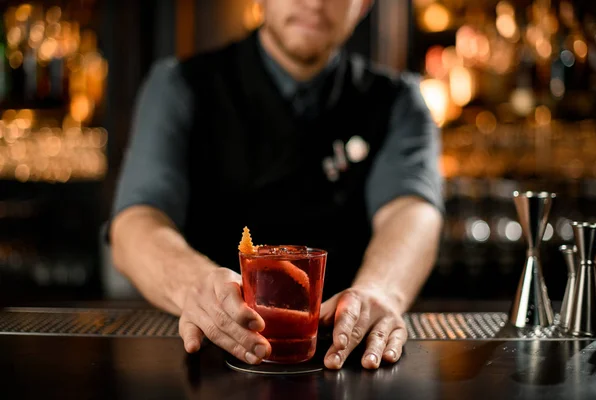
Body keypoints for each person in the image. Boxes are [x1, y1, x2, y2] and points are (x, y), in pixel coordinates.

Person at [110, 0, 443, 370]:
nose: (315, 3)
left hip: (348, 355)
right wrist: (195, 286)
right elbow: (134, 223)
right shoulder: (179, 85)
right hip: (204, 354)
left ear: (363, 6)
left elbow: (412, 213)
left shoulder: (398, 100)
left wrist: (381, 291)